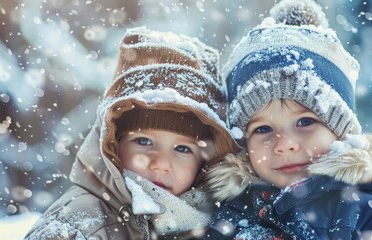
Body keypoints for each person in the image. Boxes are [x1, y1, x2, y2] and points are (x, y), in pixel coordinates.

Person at [204, 0, 372, 239]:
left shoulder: (361, 213)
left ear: (341, 131)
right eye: (263, 129)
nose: (284, 144)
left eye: (304, 122)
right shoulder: (231, 214)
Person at [25, 26, 239, 239]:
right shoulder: (80, 224)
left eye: (182, 148)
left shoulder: (206, 224)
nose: (161, 163)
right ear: (113, 144)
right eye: (144, 141)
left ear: (205, 163)